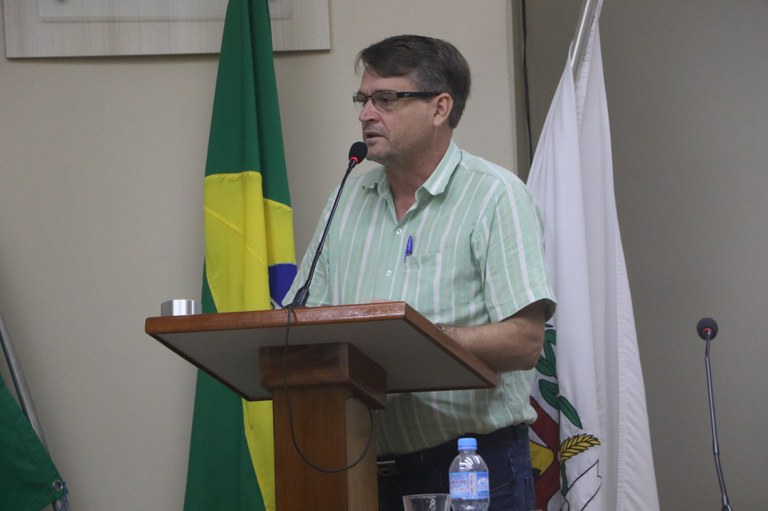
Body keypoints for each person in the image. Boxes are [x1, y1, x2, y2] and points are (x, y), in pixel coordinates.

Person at [284, 34, 556, 511]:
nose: (367, 115)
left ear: (439, 108)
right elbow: (302, 322)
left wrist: (421, 339)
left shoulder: (494, 196)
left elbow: (524, 341)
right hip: (356, 469)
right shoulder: (347, 200)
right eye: (363, 100)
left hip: (470, 468)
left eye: (386, 99)